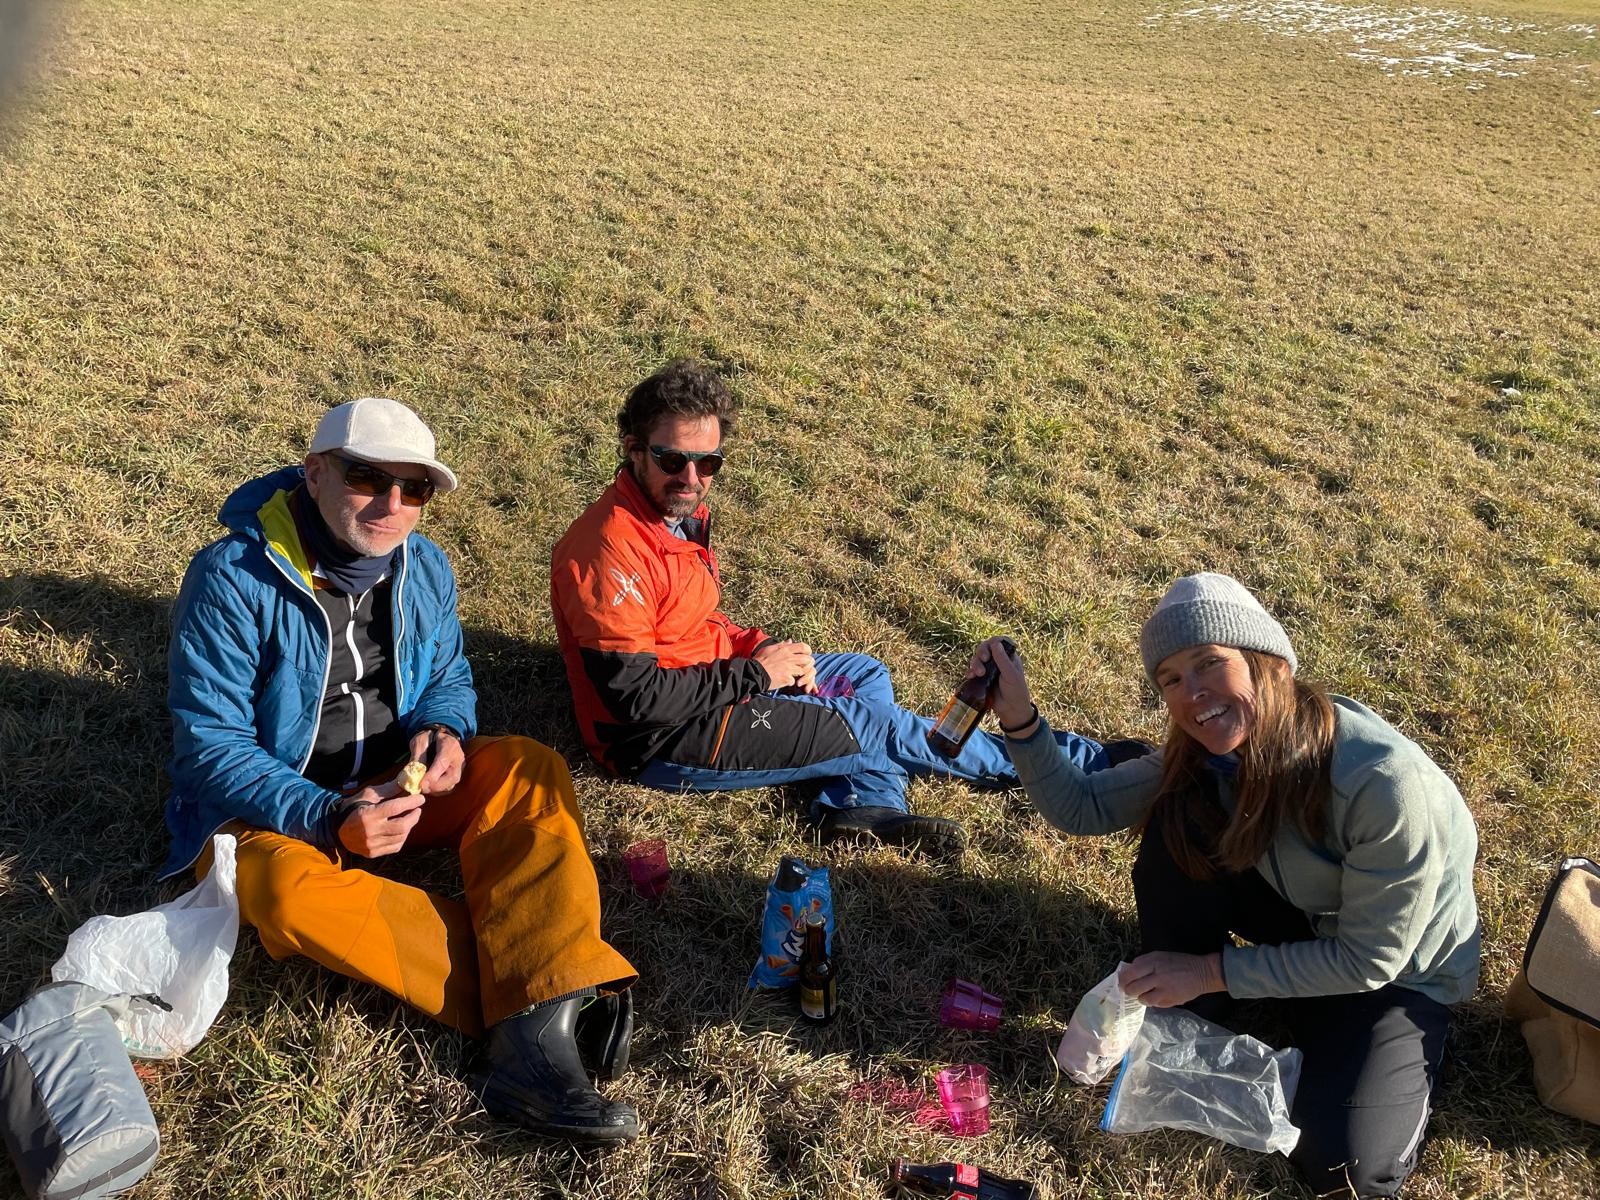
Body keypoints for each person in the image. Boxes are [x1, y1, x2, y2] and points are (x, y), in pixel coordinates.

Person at [164, 397, 640, 1143]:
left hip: (398, 782)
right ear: (315, 473)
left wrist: (444, 732)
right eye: (367, 478)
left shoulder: (426, 565)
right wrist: (326, 816)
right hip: (280, 812)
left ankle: (535, 1021)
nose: (391, 504)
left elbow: (447, 673)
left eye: (414, 488)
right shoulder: (232, 578)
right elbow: (210, 746)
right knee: (278, 892)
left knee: (527, 768)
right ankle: (548, 997)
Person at [977, 572, 1479, 1198]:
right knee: (1176, 809)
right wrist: (1020, 719)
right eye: (1171, 679)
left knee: (1346, 1171)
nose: (1194, 695)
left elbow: (1371, 957)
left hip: (1398, 971)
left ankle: (1390, 1050)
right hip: (1303, 911)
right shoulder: (1209, 753)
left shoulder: (1381, 785)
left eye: (1210, 662)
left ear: (1267, 663)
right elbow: (1081, 808)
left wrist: (1210, 970)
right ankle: (1207, 1007)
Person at [550, 359, 1120, 854]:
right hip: (664, 739)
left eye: (709, 463)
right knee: (875, 723)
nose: (692, 478)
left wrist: (758, 646)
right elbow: (633, 702)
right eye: (673, 459)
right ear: (632, 449)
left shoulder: (676, 512)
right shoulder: (608, 552)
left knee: (864, 673)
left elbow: (688, 619)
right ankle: (1075, 766)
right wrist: (755, 674)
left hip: (716, 675)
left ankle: (860, 806)